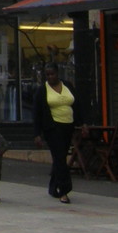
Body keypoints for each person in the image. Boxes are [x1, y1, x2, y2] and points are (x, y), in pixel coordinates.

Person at [38, 64, 76, 204]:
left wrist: (82, 123)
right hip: (53, 128)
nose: (50, 77)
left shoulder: (67, 85)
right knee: (60, 158)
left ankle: (53, 187)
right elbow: (38, 112)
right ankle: (64, 190)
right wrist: (37, 134)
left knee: (60, 156)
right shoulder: (43, 90)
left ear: (58, 73)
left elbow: (76, 104)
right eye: (47, 75)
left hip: (68, 126)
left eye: (52, 74)